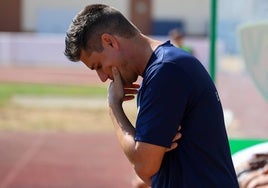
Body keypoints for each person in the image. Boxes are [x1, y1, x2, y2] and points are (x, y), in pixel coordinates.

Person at [64, 4, 239, 187]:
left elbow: (144, 166)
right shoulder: (160, 70)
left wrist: (114, 107)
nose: (102, 77)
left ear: (110, 42)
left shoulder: (167, 71)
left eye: (98, 65)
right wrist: (151, 150)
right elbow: (149, 175)